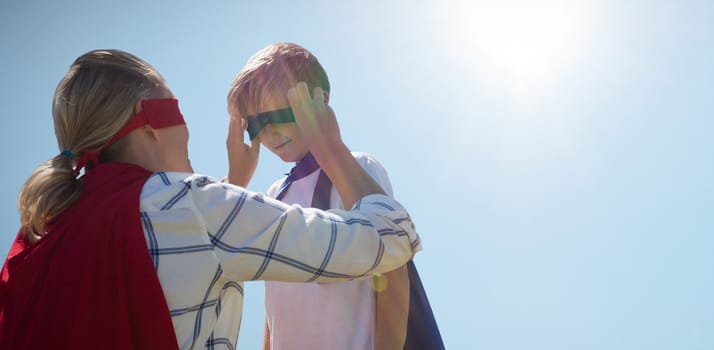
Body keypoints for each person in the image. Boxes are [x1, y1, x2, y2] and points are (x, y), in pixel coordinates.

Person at [0, 49, 421, 350]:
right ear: (153, 123)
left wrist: (235, 182)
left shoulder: (44, 233)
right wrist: (329, 147)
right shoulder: (194, 208)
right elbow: (389, 239)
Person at [227, 43, 443, 350]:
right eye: (257, 124)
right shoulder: (275, 194)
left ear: (319, 101)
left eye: (279, 116)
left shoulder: (356, 168)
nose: (271, 134)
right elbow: (273, 302)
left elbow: (392, 272)